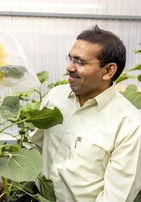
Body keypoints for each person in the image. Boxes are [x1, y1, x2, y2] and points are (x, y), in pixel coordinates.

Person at [31, 25, 141, 201]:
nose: (69, 67)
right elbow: (35, 146)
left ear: (108, 71)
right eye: (70, 58)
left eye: (80, 62)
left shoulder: (128, 124)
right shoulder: (55, 97)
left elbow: (116, 196)